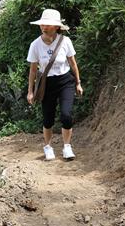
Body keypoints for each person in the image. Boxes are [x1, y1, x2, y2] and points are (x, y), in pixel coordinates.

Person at [26, 9, 83, 161]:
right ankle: (48, 147)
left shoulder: (65, 41)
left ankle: (67, 146)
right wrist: (30, 91)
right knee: (48, 118)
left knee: (66, 115)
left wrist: (78, 83)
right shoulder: (35, 45)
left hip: (65, 81)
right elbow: (33, 70)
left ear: (56, 27)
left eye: (48, 25)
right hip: (47, 84)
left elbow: (73, 63)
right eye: (42, 24)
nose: (44, 27)